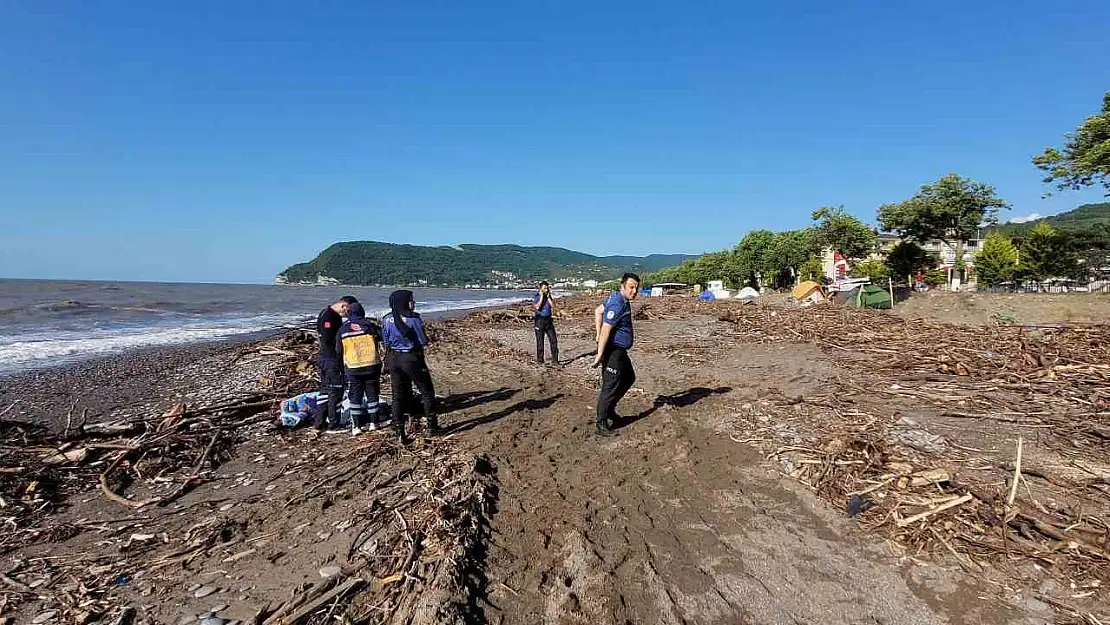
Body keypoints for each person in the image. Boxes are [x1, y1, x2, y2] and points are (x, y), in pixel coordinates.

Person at [380, 290, 440, 444]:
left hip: (394, 358)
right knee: (427, 391)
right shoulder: (413, 319)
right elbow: (423, 340)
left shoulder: (387, 319)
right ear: (404, 302)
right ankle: (432, 427)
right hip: (411, 357)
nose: (414, 303)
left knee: (397, 394)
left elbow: (385, 341)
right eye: (411, 300)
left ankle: (399, 430)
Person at [592, 273, 640, 437]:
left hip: (620, 351)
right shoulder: (618, 304)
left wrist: (597, 335)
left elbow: (598, 311)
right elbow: (607, 328)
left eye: (636, 288)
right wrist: (600, 353)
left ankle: (610, 410)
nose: (634, 291)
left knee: (629, 378)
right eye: (631, 287)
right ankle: (601, 423)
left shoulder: (619, 299)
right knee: (610, 386)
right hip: (613, 351)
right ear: (622, 287)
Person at [336, 303, 387, 435]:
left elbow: (338, 350)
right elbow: (384, 337)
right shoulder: (369, 326)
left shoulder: (342, 329)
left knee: (355, 397)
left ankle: (356, 426)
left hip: (353, 368)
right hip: (371, 365)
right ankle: (373, 423)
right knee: (372, 395)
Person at [315, 295, 359, 432]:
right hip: (331, 359)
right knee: (336, 390)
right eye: (348, 311)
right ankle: (334, 423)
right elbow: (329, 338)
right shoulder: (329, 316)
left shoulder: (327, 313)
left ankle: (319, 421)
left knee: (325, 390)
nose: (348, 313)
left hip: (324, 357)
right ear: (343, 306)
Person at [532, 281, 559, 366]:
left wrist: (548, 298)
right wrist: (541, 296)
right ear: (540, 289)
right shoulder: (537, 296)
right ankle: (540, 360)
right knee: (540, 341)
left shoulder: (548, 296)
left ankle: (555, 360)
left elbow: (553, 306)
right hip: (539, 320)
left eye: (547, 288)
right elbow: (537, 307)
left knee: (553, 340)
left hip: (548, 320)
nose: (546, 290)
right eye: (544, 288)